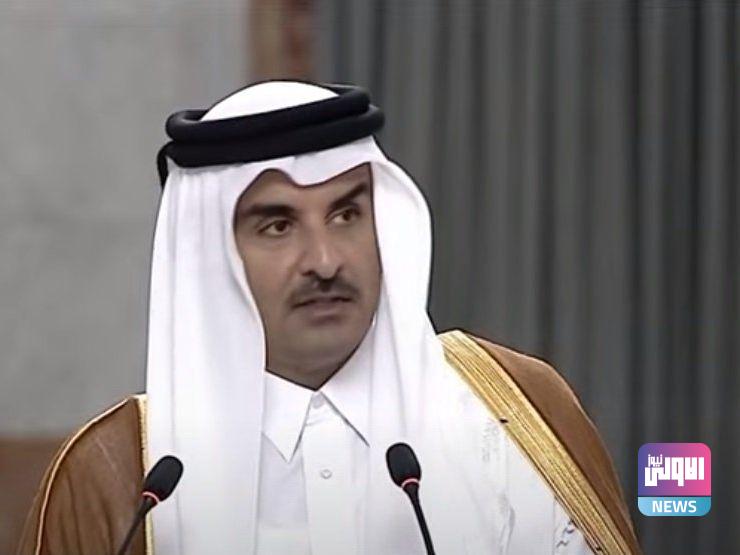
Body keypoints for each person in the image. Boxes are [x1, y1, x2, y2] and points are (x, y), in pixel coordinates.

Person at [17, 81, 640, 555]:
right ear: (211, 255)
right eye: (277, 225)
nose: (324, 260)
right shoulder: (123, 477)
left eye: (347, 215)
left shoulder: (519, 408)